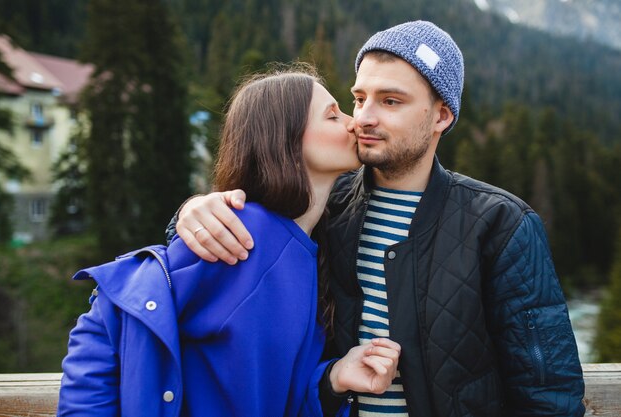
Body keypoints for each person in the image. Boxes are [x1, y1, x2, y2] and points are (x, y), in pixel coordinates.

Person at [167, 21, 586, 417]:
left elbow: (548, 391)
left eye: (390, 101)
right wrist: (189, 213)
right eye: (359, 97)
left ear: (441, 116)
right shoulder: (322, 208)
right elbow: (228, 248)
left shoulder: (500, 223)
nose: (364, 117)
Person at [57, 66, 404, 417]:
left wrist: (333, 379)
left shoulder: (312, 248)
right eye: (333, 115)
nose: (352, 122)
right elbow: (111, 312)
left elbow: (272, 392)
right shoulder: (242, 233)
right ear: (284, 137)